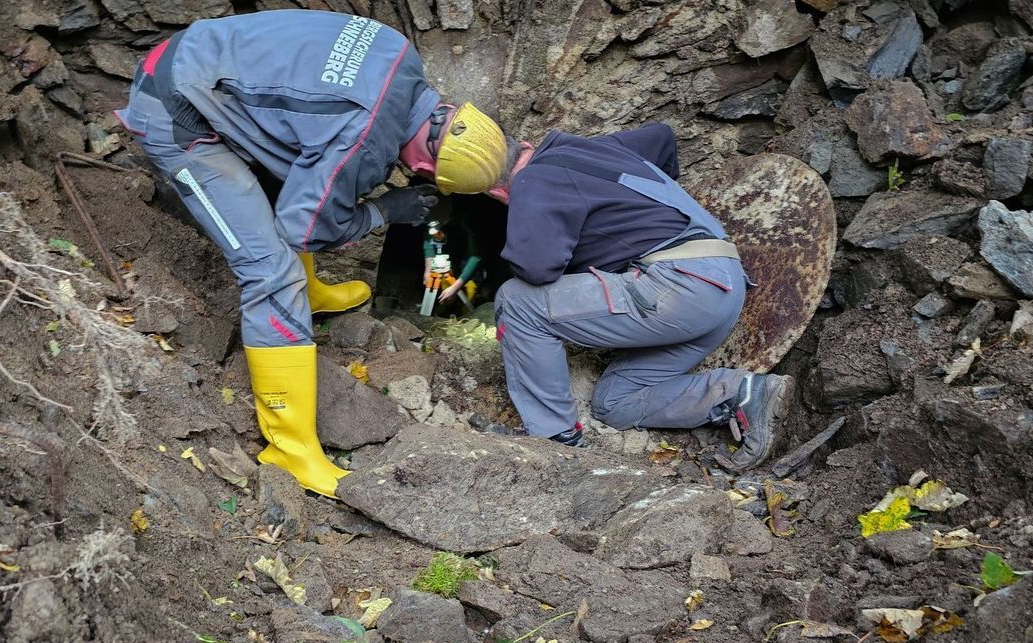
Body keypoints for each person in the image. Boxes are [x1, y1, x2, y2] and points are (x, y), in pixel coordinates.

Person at [114, 10, 511, 497]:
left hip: (206, 59)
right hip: (177, 111)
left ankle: (314, 294)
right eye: (429, 176)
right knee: (272, 273)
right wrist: (386, 210)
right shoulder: (361, 140)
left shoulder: (400, 54)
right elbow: (304, 229)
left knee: (306, 172)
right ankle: (290, 448)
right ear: (428, 163)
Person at [492, 123, 794, 473]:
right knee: (614, 404)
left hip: (679, 285)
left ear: (500, 193)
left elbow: (536, 270)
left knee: (516, 301)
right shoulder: (588, 149)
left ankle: (555, 443)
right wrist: (643, 218)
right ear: (526, 143)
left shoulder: (532, 180)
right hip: (721, 286)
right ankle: (741, 393)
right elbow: (662, 136)